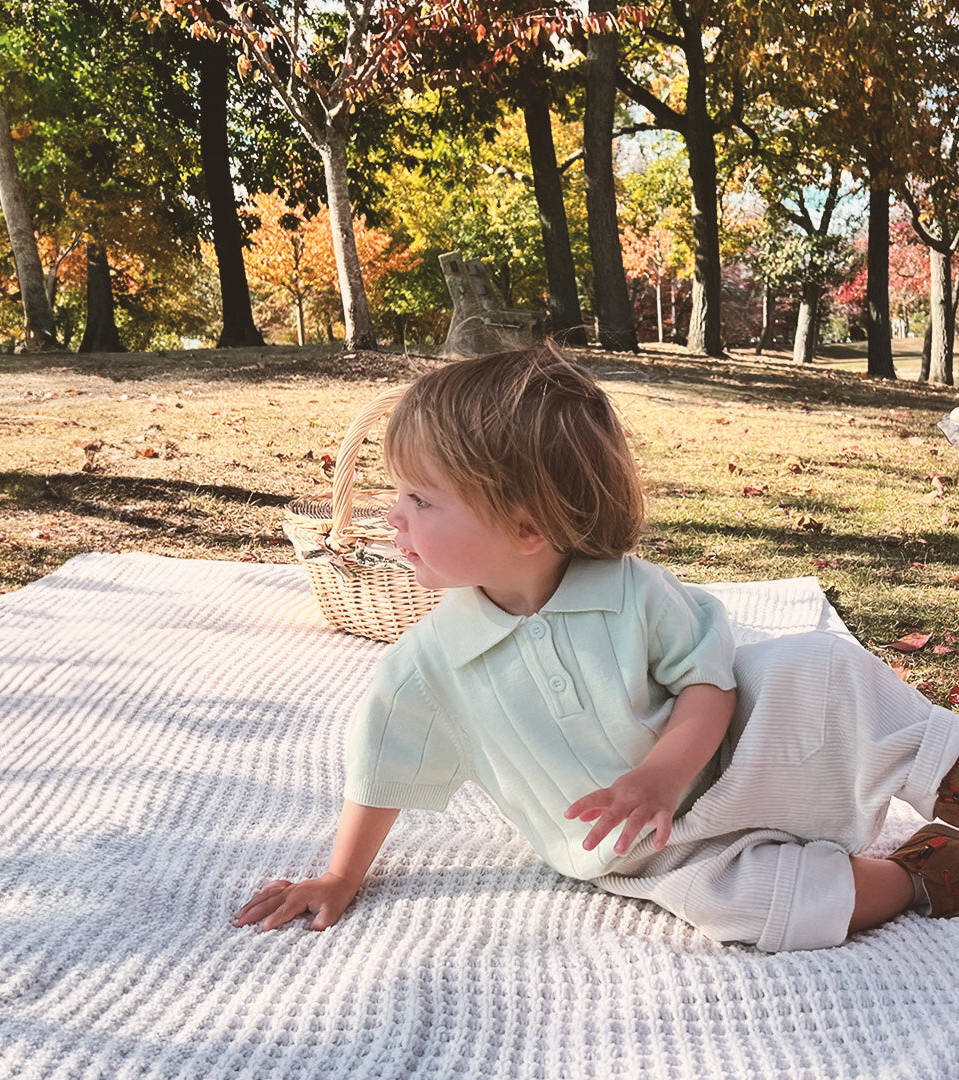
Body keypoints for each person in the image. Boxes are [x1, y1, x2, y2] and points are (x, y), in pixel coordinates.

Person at [235, 345, 959, 952]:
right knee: (760, 912)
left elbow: (711, 684)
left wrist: (661, 777)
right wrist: (338, 877)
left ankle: (947, 776)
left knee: (820, 667)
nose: (393, 515)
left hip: (735, 754)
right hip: (658, 853)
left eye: (421, 499)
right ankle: (923, 870)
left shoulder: (629, 589)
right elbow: (379, 777)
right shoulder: (425, 667)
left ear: (527, 529)